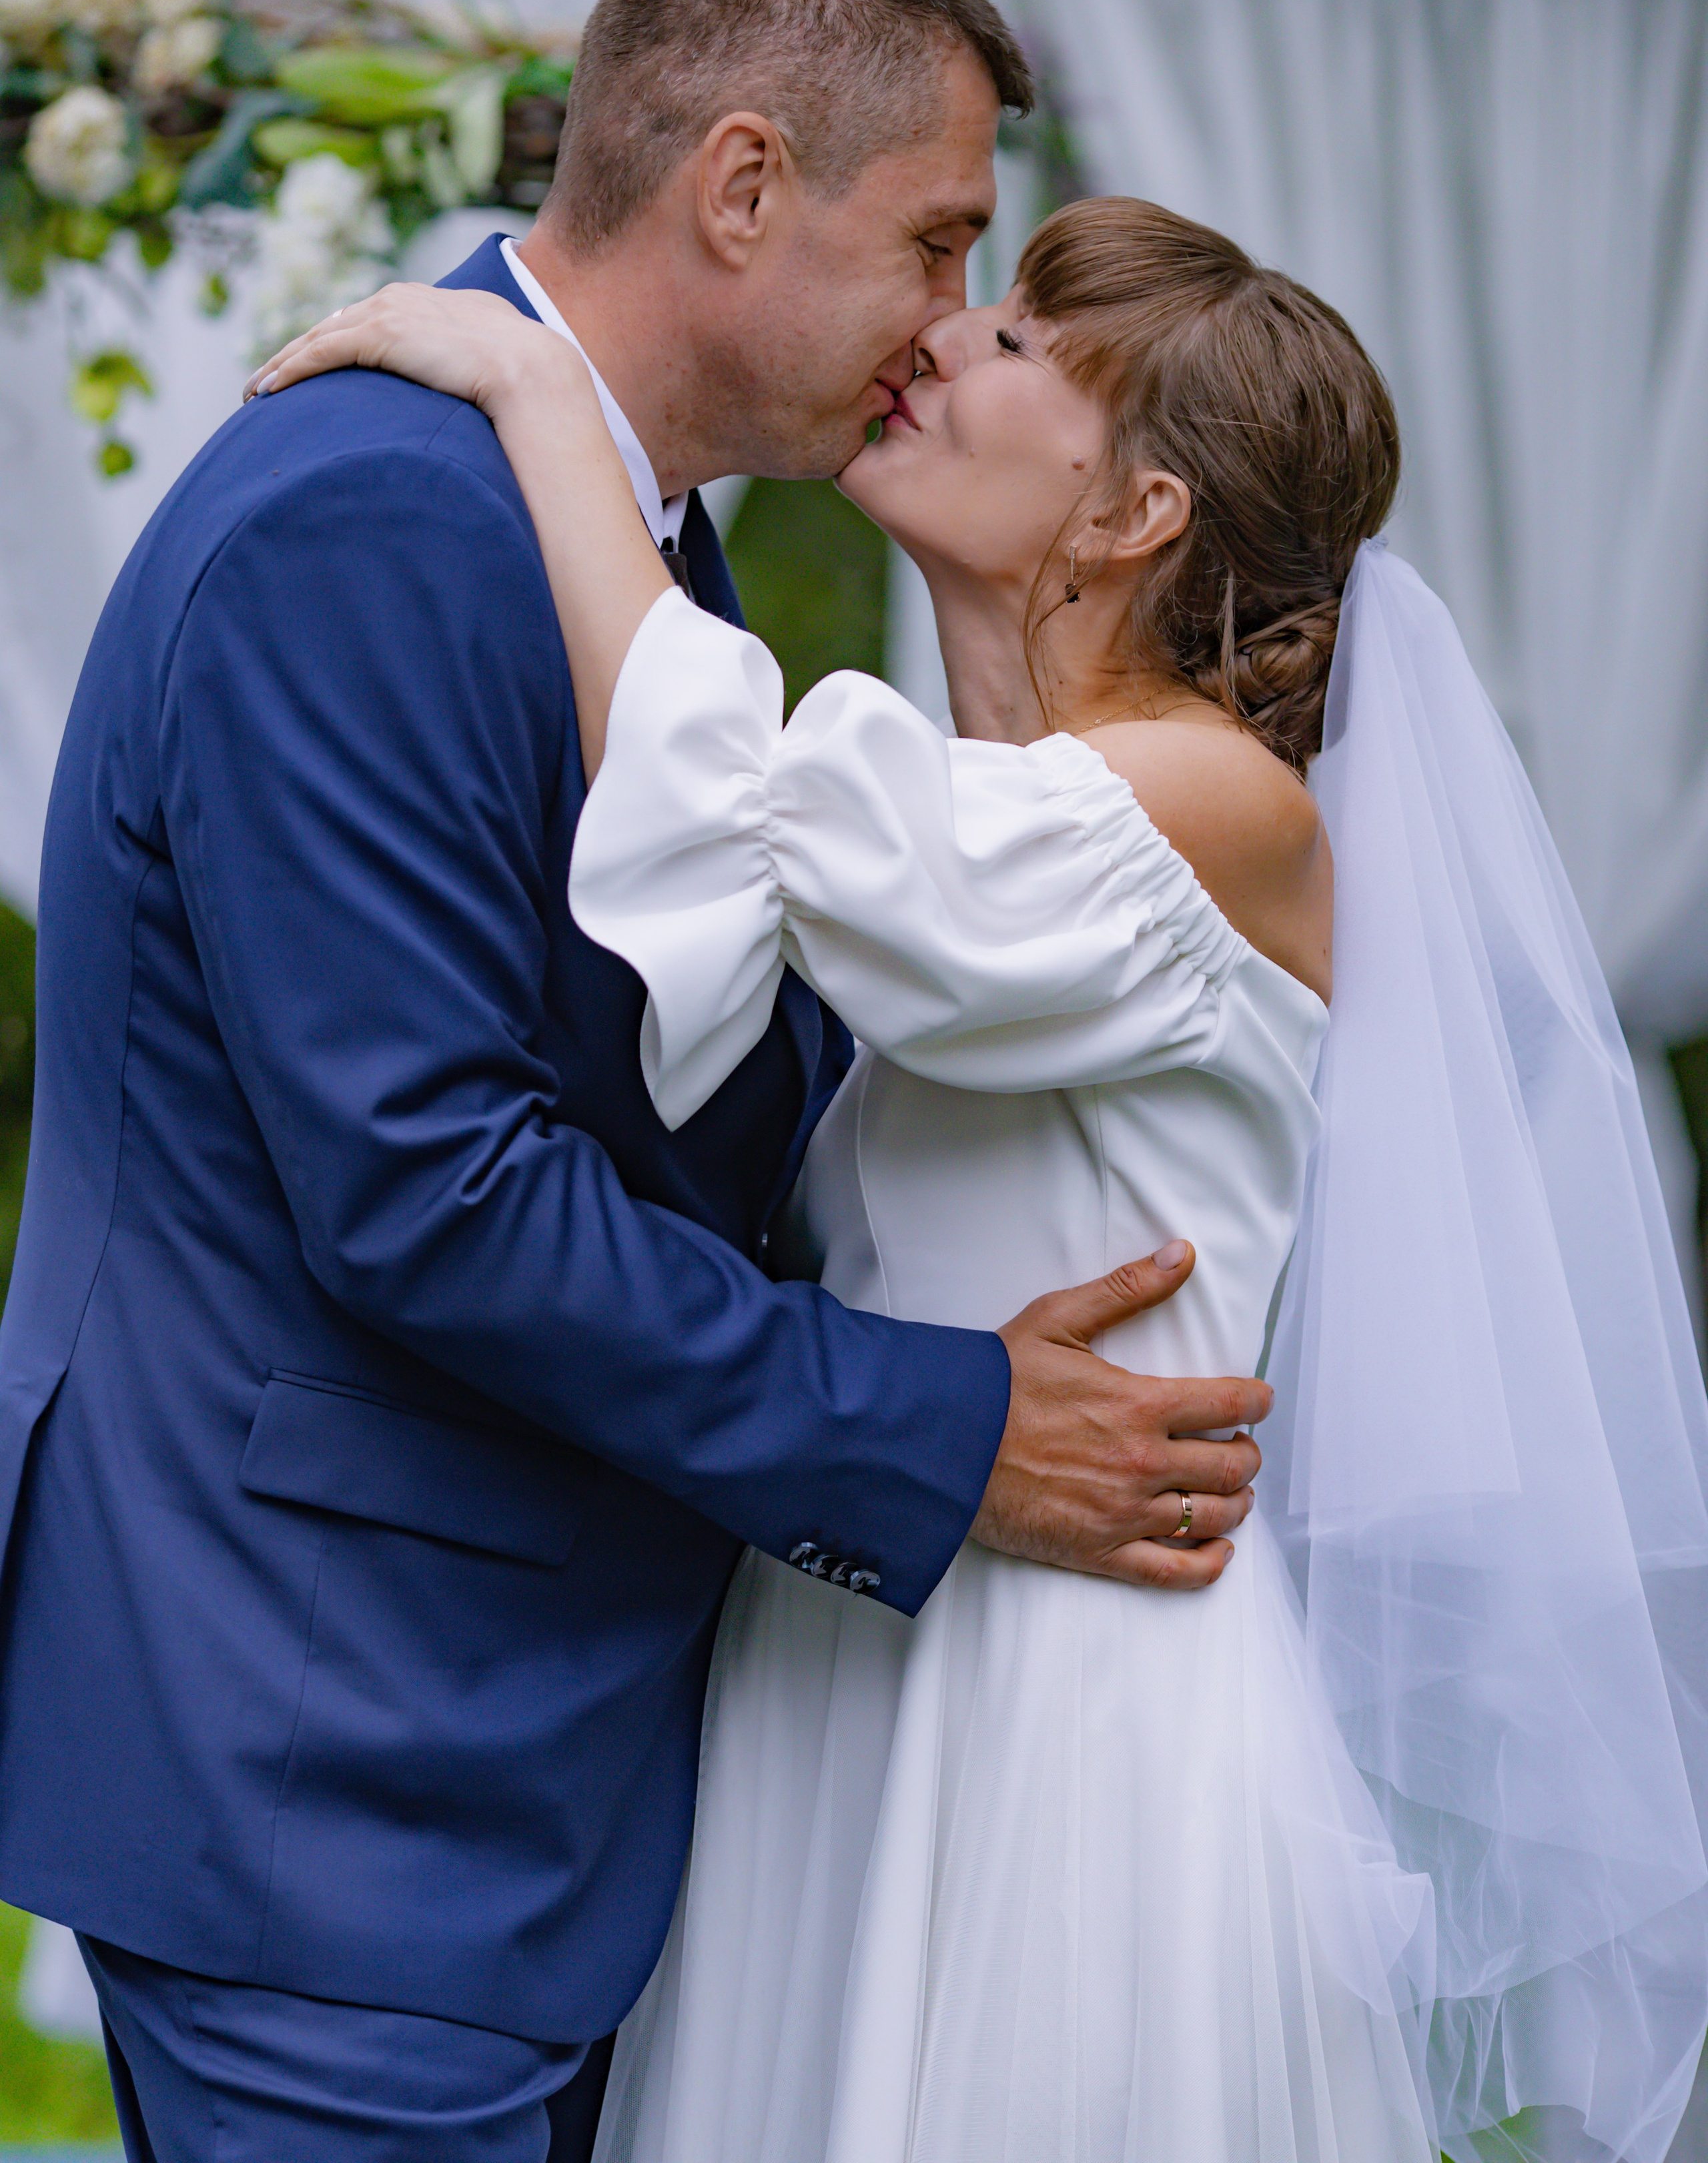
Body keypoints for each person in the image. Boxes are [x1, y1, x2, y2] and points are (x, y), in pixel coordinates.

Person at [0, 0, 1274, 2163]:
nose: (952, 329)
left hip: (507, 1755)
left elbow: (713, 1076)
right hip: (342, 1755)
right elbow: (433, 1190)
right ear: (746, 184)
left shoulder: (622, 538)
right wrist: (943, 1426)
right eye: (939, 246)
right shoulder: (376, 522)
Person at [254, 190, 1708, 2163]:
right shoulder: (999, 820)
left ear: (1134, 517)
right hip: (855, 1652)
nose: (940, 341)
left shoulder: (1220, 801)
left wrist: (530, 377)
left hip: (1064, 1714)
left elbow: (736, 806)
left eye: (1016, 341)